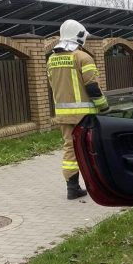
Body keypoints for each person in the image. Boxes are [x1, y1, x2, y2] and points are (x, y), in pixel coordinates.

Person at [47, 20, 109, 199]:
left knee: (70, 149)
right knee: (91, 147)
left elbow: (54, 85)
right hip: (85, 115)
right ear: (80, 36)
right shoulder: (83, 57)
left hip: (63, 115)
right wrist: (104, 107)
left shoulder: (51, 59)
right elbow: (92, 87)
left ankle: (72, 188)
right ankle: (98, 184)